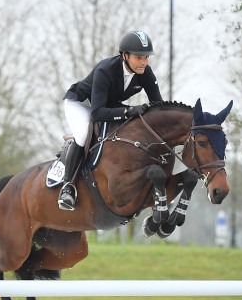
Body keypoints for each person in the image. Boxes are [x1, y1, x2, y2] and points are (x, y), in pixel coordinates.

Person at [53, 30, 164, 210]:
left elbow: (158, 104)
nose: (144, 62)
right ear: (124, 56)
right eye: (139, 57)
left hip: (106, 105)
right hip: (81, 104)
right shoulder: (106, 69)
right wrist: (128, 111)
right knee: (82, 135)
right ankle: (68, 187)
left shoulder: (145, 72)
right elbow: (97, 113)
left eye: (146, 57)